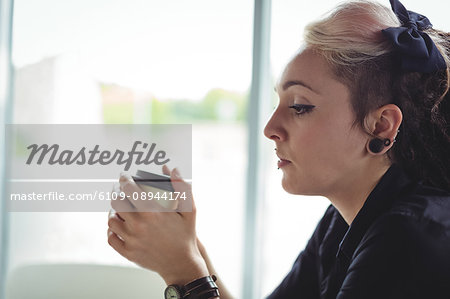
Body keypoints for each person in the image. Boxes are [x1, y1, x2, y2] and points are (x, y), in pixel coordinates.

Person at [107, 0, 450, 298]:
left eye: (300, 106)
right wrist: (189, 250)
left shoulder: (408, 240)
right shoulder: (345, 219)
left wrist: (183, 274)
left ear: (380, 125)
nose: (270, 129)